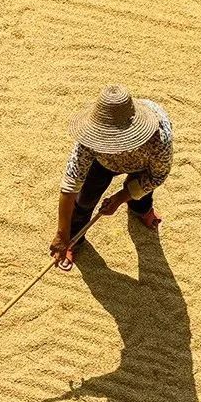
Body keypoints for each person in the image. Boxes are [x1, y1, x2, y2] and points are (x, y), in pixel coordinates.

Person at [50, 84, 173, 270]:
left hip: (141, 165)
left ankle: (142, 209)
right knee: (84, 201)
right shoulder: (89, 137)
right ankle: (74, 237)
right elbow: (71, 184)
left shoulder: (158, 139)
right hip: (101, 164)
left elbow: (156, 176)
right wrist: (62, 234)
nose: (112, 148)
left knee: (141, 192)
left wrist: (120, 197)